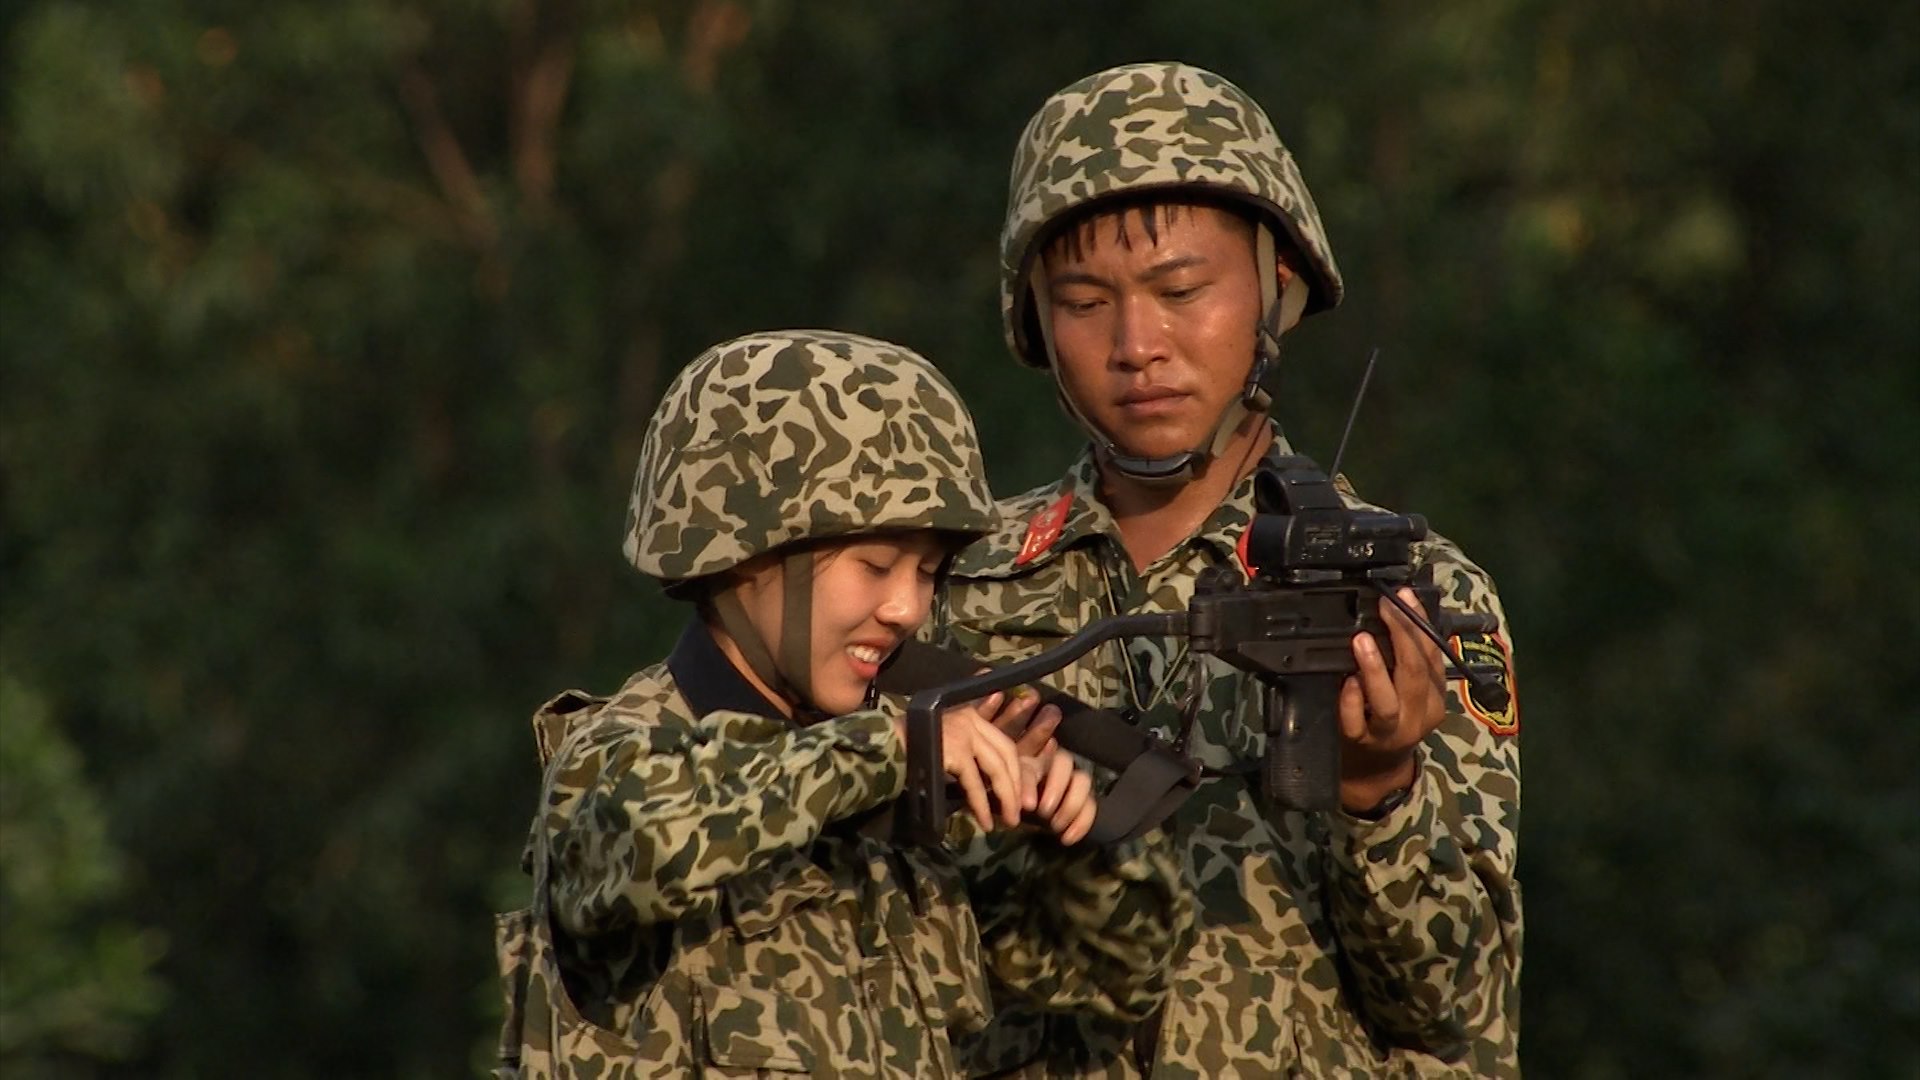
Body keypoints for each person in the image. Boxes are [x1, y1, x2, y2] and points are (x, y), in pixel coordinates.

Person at [938, 63, 1523, 1077]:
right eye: (1083, 301)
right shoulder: (945, 586)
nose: (1136, 345)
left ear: (1277, 287)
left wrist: (1382, 787)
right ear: (1033, 320)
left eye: (1180, 290)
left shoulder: (1407, 590)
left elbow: (1453, 1006)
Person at [492, 330, 1192, 1079]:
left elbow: (1119, 986)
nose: (906, 608)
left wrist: (1065, 842)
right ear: (746, 554)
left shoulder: (916, 814)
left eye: (927, 572)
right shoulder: (616, 757)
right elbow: (643, 844)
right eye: (876, 565)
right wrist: (897, 750)